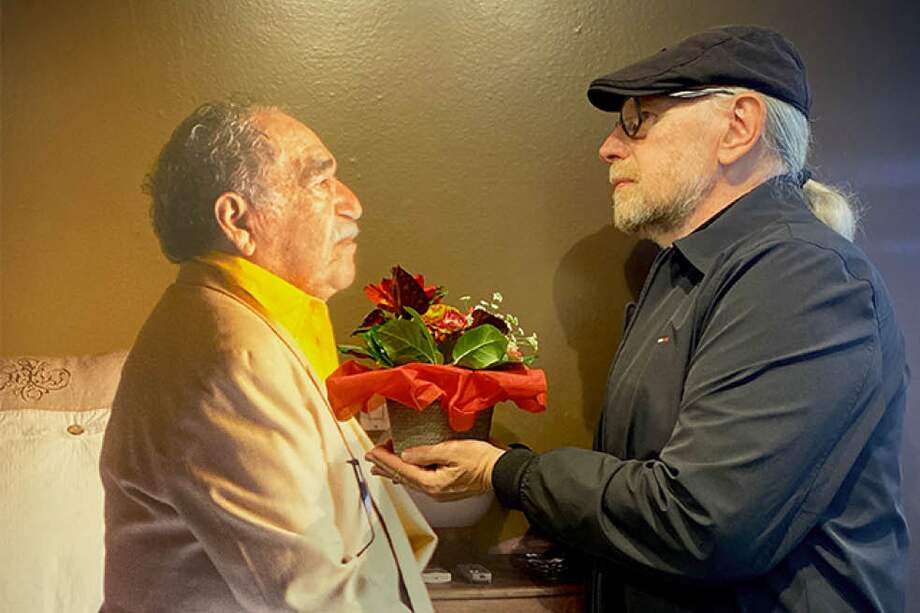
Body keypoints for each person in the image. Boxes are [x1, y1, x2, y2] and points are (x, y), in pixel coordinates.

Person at [366, 25, 909, 612]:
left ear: (738, 127)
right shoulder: (685, 272)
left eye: (637, 119)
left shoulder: (800, 276)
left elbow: (702, 522)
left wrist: (510, 474)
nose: (609, 147)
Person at [100, 101, 436, 612]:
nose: (351, 202)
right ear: (238, 219)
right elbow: (312, 600)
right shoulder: (231, 360)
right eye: (320, 182)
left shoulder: (247, 322)